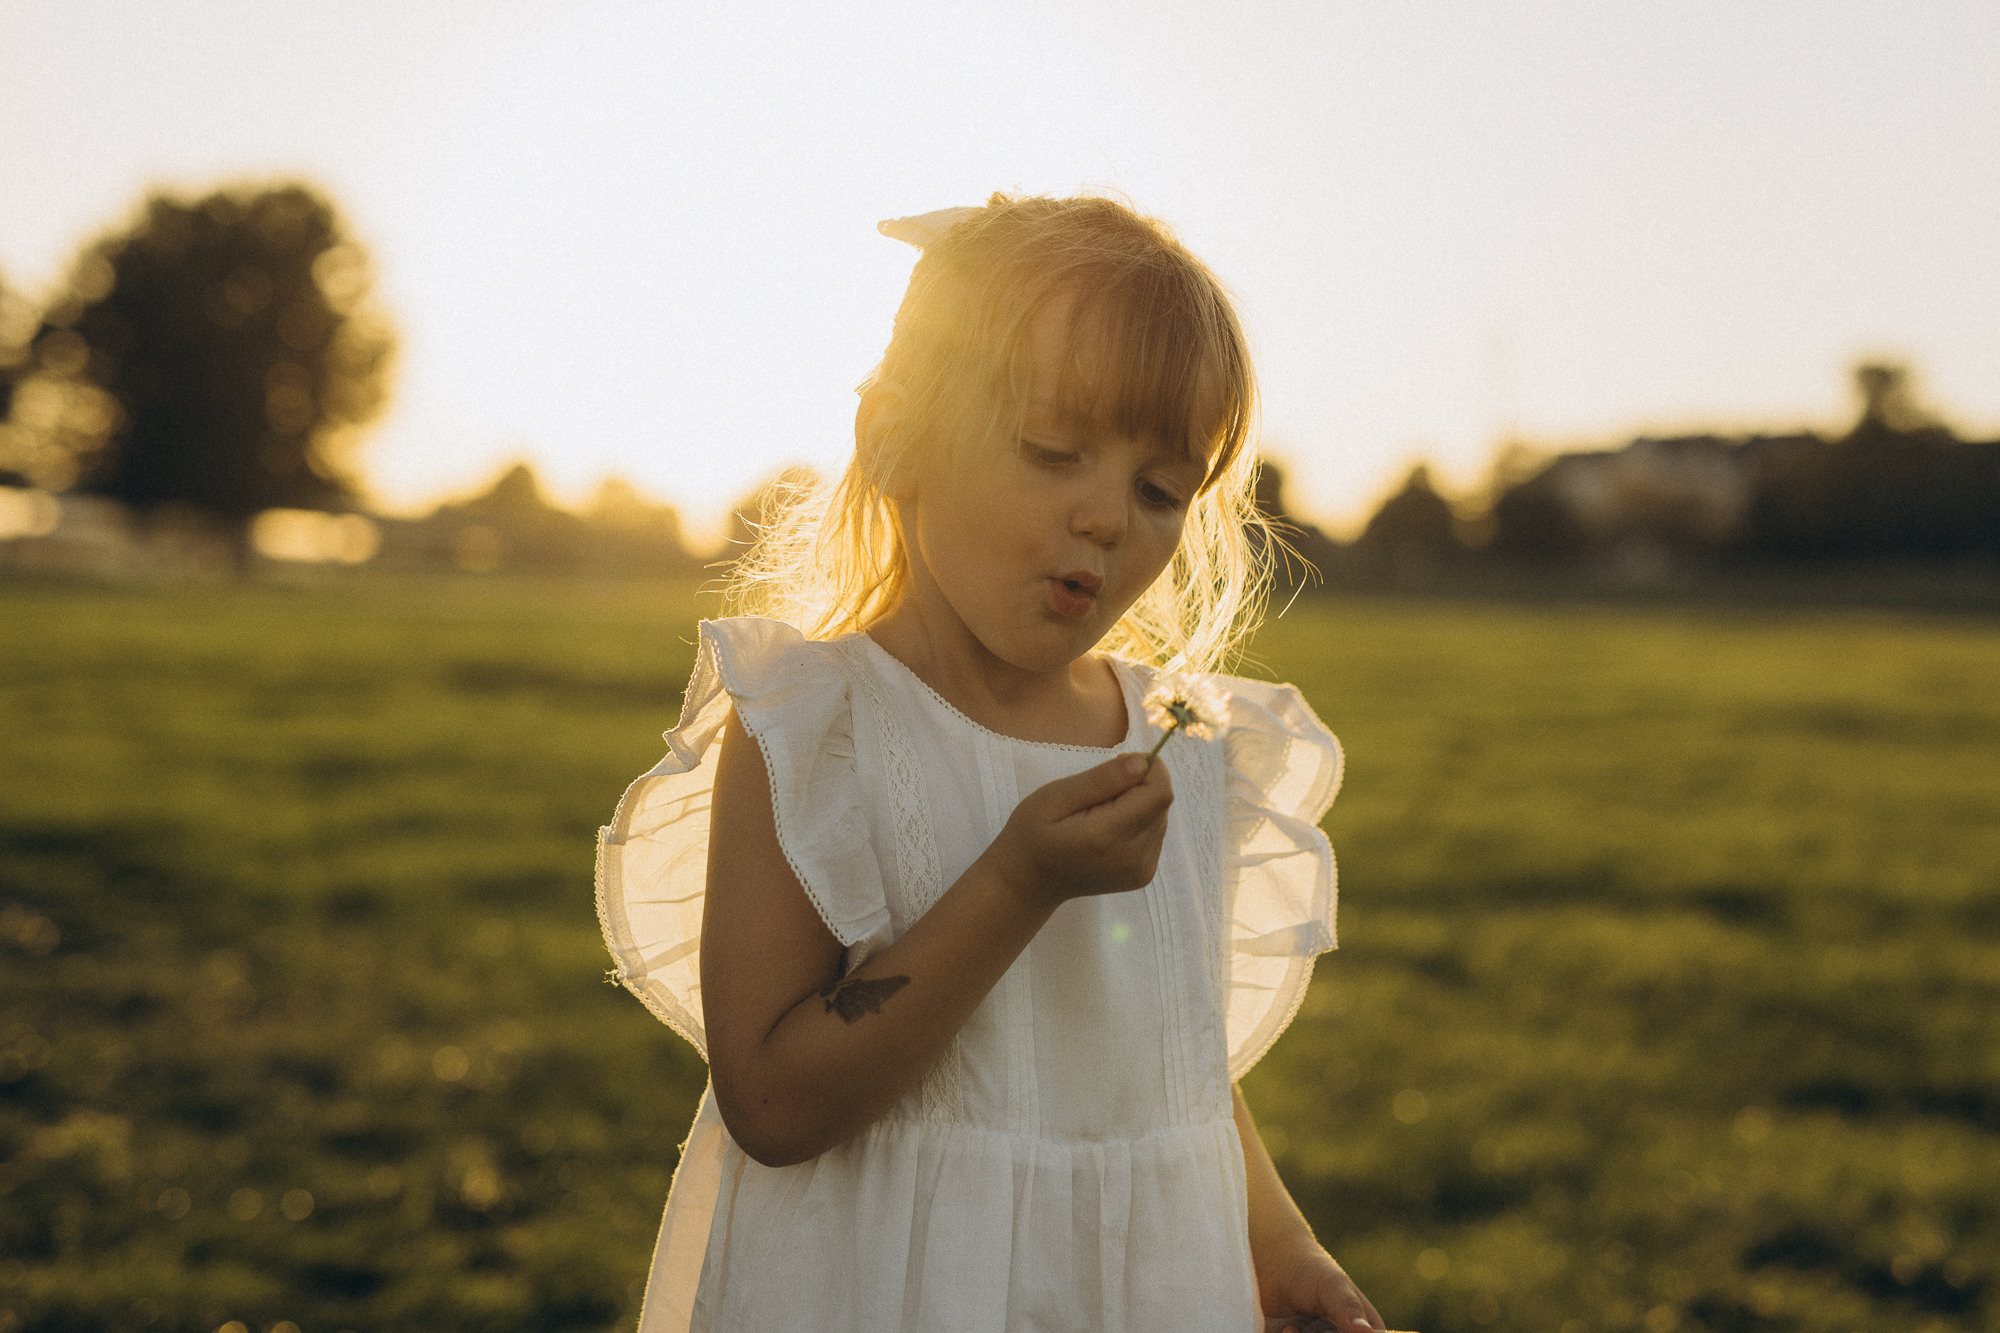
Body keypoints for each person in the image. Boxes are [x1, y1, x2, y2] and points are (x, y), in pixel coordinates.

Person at [597, 194, 1392, 1333]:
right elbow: (771, 1101)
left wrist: (1281, 1245)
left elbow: (1170, 1059)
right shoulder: (816, 726)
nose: (1108, 517)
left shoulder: (1179, 744)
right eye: (1052, 451)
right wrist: (1015, 882)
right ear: (895, 437)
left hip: (1146, 1285)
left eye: (1160, 489)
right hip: (894, 1285)